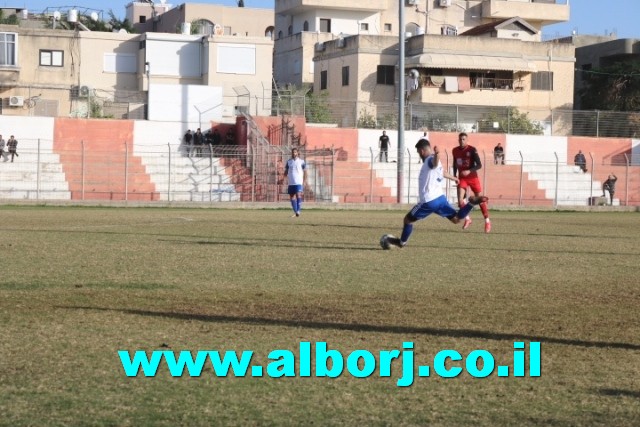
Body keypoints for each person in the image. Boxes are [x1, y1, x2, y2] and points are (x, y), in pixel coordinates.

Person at [386, 139, 488, 248]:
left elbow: (433, 163)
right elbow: (441, 171)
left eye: (418, 152)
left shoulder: (430, 160)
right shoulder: (435, 161)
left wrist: (438, 154)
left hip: (428, 200)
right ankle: (471, 203)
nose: (419, 155)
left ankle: (401, 243)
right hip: (440, 198)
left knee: (407, 220)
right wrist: (454, 178)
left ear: (421, 151)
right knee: (456, 219)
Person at [452, 132, 491, 233]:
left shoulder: (472, 150)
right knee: (460, 200)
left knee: (480, 199)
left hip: (473, 177)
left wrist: (469, 170)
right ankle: (468, 219)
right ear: (458, 140)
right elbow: (455, 164)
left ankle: (487, 221)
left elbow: (479, 165)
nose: (462, 141)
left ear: (467, 140)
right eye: (460, 139)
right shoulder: (454, 150)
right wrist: (455, 175)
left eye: (464, 139)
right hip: (462, 178)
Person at [283, 147, 307, 217]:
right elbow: (286, 171)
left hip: (298, 182)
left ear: (297, 153)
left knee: (298, 195)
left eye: (295, 152)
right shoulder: (289, 162)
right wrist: (284, 178)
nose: (294, 153)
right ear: (291, 153)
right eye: (293, 152)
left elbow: (305, 171)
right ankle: (296, 212)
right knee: (292, 197)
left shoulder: (301, 161)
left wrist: (304, 180)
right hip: (291, 182)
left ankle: (298, 210)